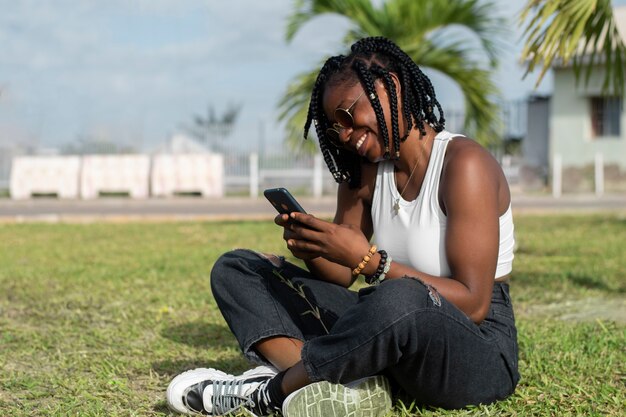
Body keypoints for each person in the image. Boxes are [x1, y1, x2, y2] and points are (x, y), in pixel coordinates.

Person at [166, 36, 519, 417]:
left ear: (392, 89)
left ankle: (272, 392)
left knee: (399, 296)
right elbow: (339, 277)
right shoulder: (365, 173)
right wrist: (315, 247)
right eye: (335, 127)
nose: (346, 135)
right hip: (391, 326)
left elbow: (474, 303)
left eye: (349, 116)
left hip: (476, 350)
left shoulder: (464, 165)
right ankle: (346, 384)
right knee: (239, 268)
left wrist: (372, 264)